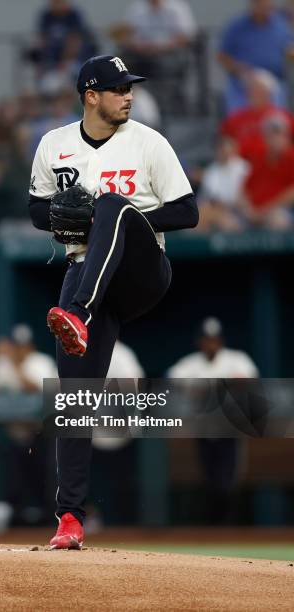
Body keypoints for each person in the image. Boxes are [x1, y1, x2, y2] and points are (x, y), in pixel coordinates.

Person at [28, 54, 198, 549]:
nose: (129, 96)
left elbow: (188, 211)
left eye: (130, 88)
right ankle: (69, 519)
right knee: (76, 397)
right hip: (85, 271)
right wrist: (64, 218)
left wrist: (121, 217)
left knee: (111, 204)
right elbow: (37, 208)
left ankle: (77, 314)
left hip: (143, 271)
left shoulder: (149, 142)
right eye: (119, 89)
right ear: (91, 95)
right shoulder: (54, 145)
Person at [167, 317, 258, 523]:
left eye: (214, 339)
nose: (211, 344)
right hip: (203, 431)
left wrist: (212, 388)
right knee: (207, 483)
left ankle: (228, 528)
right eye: (207, 339)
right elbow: (173, 379)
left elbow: (248, 380)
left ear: (221, 340)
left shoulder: (236, 359)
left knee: (227, 484)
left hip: (229, 431)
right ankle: (212, 530)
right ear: (200, 341)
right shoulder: (191, 363)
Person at [218, 0, 294, 114]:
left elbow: (289, 48)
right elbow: (222, 55)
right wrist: (238, 69)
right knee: (238, 113)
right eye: (259, 4)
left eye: (267, 5)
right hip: (244, 79)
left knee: (276, 115)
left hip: (273, 79)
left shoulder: (281, 25)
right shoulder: (236, 27)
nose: (264, 8)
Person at [220, 69, 294, 160]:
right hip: (242, 167)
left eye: (259, 90)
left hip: (273, 165)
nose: (254, 93)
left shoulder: (284, 117)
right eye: (251, 89)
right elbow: (224, 144)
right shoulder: (234, 119)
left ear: (269, 93)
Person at [241, 112, 294, 229]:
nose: (273, 138)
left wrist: (265, 210)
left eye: (277, 133)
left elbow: (292, 193)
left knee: (278, 220)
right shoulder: (260, 158)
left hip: (281, 211)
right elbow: (244, 190)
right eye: (269, 134)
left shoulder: (291, 157)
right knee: (225, 222)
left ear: (287, 135)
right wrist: (249, 209)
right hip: (254, 213)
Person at [197, 136, 249, 232]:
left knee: (227, 223)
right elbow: (208, 200)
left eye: (226, 149)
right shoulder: (211, 171)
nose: (223, 152)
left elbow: (243, 199)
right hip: (219, 212)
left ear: (233, 149)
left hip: (242, 212)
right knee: (199, 218)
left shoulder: (244, 168)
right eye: (220, 149)